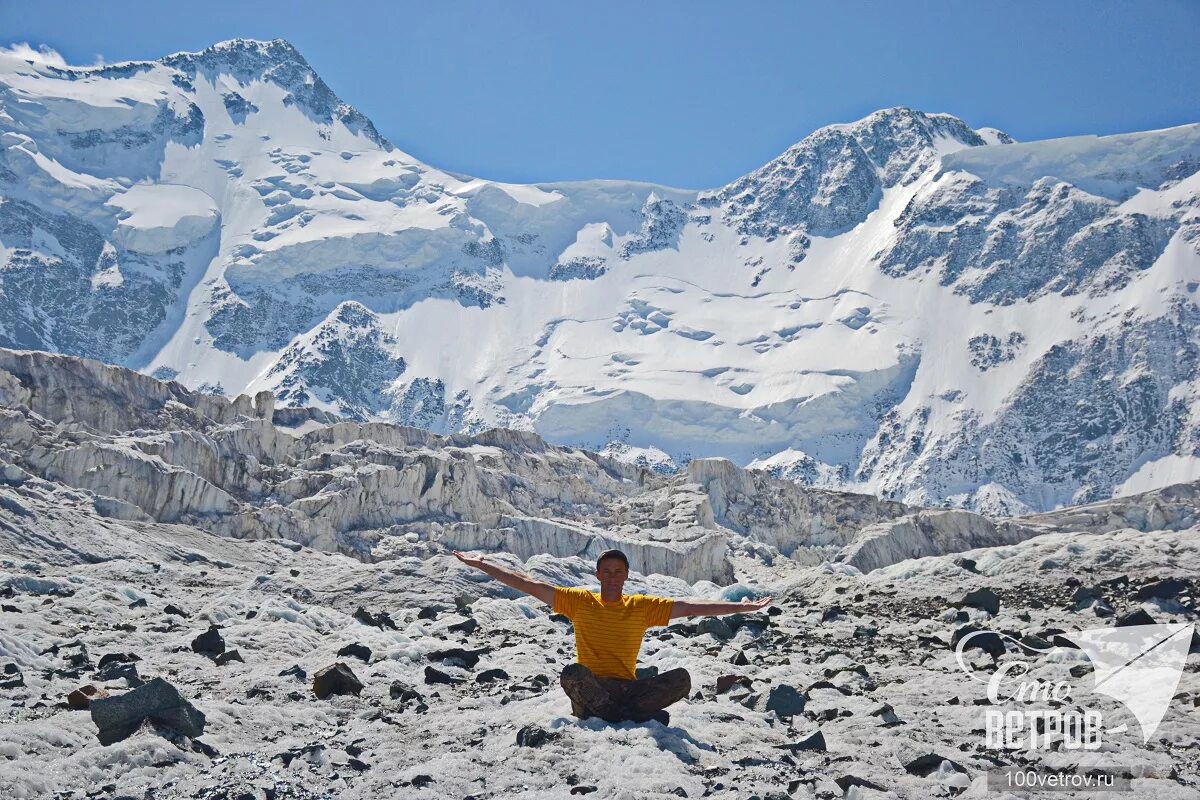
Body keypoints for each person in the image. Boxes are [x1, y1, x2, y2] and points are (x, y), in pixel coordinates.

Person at [452, 548, 772, 725]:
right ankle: (624, 712)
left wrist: (739, 608)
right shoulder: (578, 602)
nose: (612, 577)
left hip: (627, 688)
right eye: (606, 571)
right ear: (597, 575)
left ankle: (619, 711)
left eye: (618, 571)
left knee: (681, 679)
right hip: (593, 686)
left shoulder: (642, 608)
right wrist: (484, 565)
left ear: (627, 575)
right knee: (573, 675)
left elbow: (690, 607)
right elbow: (526, 583)